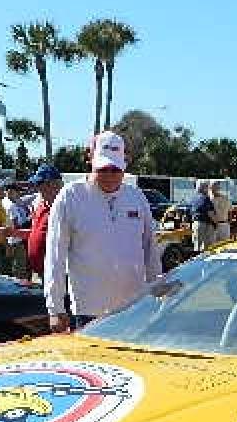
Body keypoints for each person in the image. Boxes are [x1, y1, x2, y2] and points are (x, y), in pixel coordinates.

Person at [44, 131, 160, 332]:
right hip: (89, 311)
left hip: (133, 307)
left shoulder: (137, 197)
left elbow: (150, 250)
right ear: (90, 160)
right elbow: (55, 254)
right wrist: (55, 308)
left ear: (125, 164)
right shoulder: (70, 197)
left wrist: (156, 292)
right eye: (103, 169)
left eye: (115, 169)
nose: (109, 175)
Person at [25, 164, 63, 280]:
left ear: (53, 184)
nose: (37, 188)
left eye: (39, 184)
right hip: (42, 272)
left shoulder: (65, 207)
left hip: (57, 274)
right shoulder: (41, 204)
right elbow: (35, 233)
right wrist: (13, 232)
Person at [1, 182, 31, 279]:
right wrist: (29, 221)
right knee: (20, 269)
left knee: (14, 267)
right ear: (10, 191)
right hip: (16, 240)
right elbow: (16, 225)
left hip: (8, 240)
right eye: (17, 191)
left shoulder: (3, 202)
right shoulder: (11, 206)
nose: (19, 194)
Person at [188, 179, 217, 251]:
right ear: (203, 188)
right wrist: (216, 223)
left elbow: (189, 211)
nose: (208, 188)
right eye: (207, 186)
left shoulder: (193, 198)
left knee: (197, 245)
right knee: (207, 246)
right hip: (205, 225)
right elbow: (210, 213)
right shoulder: (205, 198)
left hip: (196, 223)